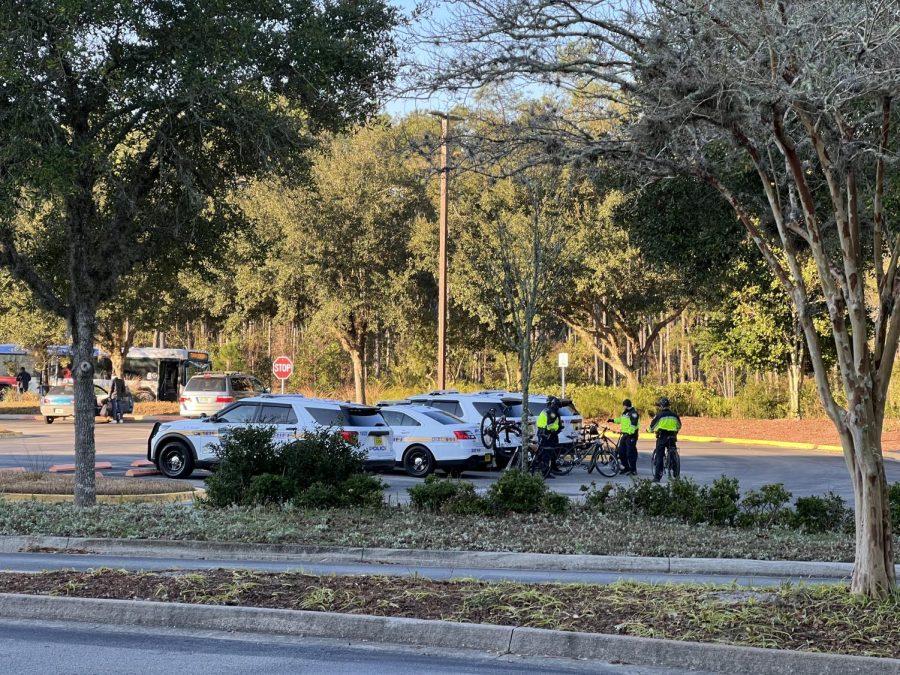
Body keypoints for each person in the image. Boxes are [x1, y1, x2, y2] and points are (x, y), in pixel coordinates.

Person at [649, 397, 681, 482]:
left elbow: (652, 427)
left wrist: (649, 430)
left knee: (660, 455)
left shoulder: (659, 415)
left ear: (661, 406)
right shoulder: (674, 415)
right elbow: (679, 426)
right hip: (672, 437)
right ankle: (675, 472)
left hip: (662, 437)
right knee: (672, 451)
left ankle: (657, 477)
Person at [608, 398, 640, 475]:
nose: (623, 407)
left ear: (626, 405)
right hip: (625, 434)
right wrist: (613, 420)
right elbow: (621, 420)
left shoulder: (633, 413)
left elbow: (634, 424)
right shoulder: (625, 412)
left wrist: (630, 433)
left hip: (631, 435)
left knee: (630, 453)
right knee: (621, 452)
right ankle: (626, 468)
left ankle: (633, 470)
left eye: (624, 405)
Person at [534, 396, 563, 478]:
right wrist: (556, 429)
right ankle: (545, 472)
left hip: (547, 433)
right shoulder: (551, 412)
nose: (558, 407)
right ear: (553, 404)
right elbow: (550, 425)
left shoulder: (547, 410)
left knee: (552, 452)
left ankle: (552, 468)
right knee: (546, 454)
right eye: (557, 405)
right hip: (547, 434)